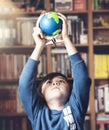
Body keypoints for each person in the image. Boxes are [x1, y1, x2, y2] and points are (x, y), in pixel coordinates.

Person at [18, 12, 91, 130]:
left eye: (61, 81)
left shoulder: (75, 108)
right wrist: (39, 46)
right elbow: (24, 84)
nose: (56, 83)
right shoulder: (37, 112)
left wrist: (66, 39)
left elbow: (82, 78)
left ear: (70, 90)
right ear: (41, 92)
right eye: (49, 83)